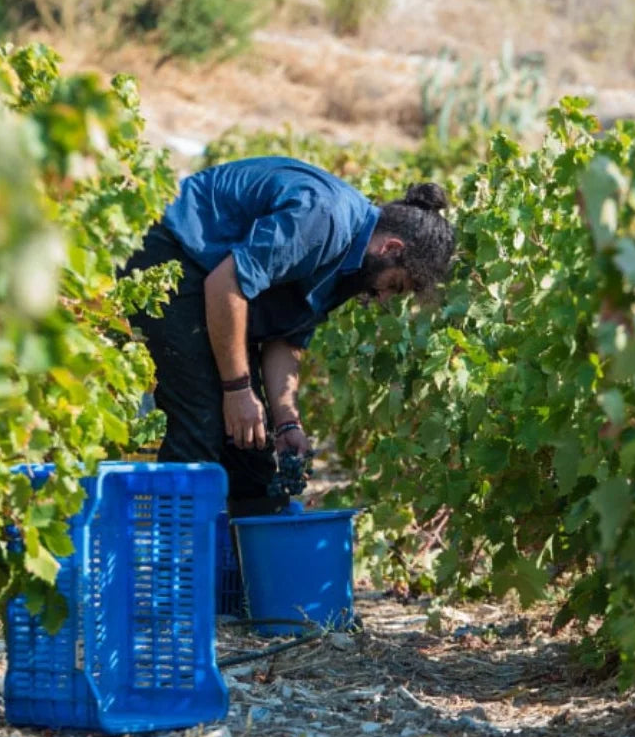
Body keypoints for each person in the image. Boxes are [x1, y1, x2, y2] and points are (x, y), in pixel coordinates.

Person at [124, 156, 454, 514]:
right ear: (391, 248)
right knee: (203, 422)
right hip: (171, 253)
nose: (385, 298)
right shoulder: (323, 220)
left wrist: (286, 423)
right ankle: (172, 561)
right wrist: (237, 390)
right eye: (394, 285)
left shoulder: (354, 266)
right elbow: (225, 284)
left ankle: (249, 565)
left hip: (217, 289)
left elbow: (287, 339)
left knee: (251, 446)